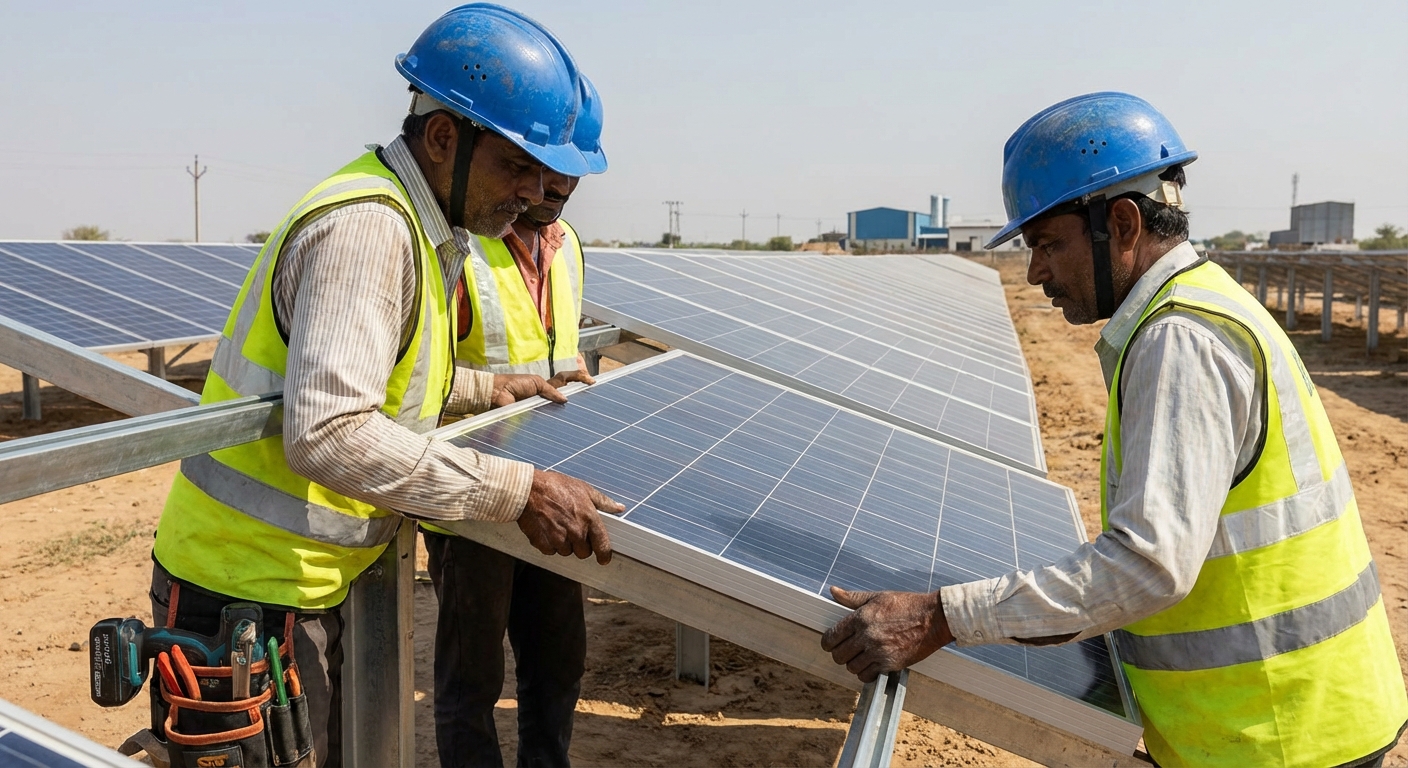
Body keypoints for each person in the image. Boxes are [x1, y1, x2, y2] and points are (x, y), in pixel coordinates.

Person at [820, 92, 1408, 767]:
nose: (1036, 270)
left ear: (1122, 225)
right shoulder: (1207, 304)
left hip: (1274, 735)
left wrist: (942, 616)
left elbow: (1148, 565)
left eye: (1047, 244)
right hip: (1293, 716)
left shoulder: (1180, 339)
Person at [143, 6, 622, 766]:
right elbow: (329, 430)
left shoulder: (421, 225)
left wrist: (485, 387)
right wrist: (516, 490)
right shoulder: (369, 229)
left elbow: (388, 373)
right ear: (442, 139)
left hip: (300, 586)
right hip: (248, 592)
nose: (534, 194)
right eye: (517, 166)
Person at [419, 73, 607, 768]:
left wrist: (576, 381)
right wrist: (494, 392)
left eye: (568, 179)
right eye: (541, 172)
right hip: (475, 496)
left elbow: (559, 349)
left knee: (557, 663)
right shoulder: (460, 246)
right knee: (471, 680)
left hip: (555, 486)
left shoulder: (570, 249)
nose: (551, 191)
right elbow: (416, 387)